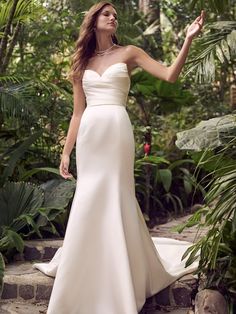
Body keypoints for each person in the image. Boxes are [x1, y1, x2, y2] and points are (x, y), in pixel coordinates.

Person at [33, 2, 205, 313]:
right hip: (89, 135)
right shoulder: (80, 62)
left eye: (115, 15)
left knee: (115, 194)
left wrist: (188, 39)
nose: (113, 18)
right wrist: (66, 150)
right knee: (88, 197)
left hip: (116, 132)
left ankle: (121, 271)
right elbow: (77, 113)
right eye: (107, 14)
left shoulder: (129, 53)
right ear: (94, 20)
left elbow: (169, 75)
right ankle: (84, 268)